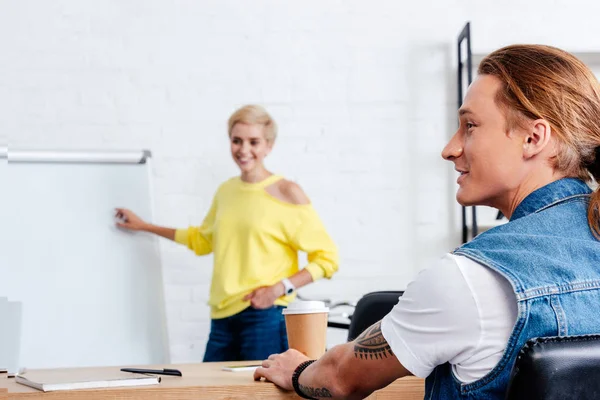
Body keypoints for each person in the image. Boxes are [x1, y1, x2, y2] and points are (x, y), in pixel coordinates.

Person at [254, 45, 600, 399]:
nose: (449, 149)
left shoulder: (472, 279)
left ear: (533, 138)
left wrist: (296, 369)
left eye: (470, 126)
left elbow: (340, 378)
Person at [115, 105, 339, 362]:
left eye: (253, 141)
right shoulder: (226, 191)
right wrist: (145, 226)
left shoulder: (287, 192)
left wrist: (278, 288)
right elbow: (202, 240)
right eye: (236, 141)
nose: (244, 150)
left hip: (265, 316)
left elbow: (327, 259)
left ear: (269, 145)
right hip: (222, 317)